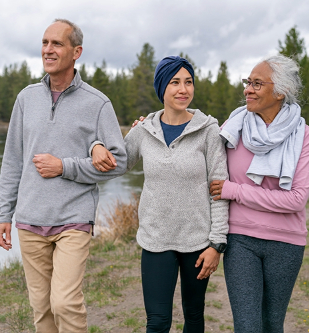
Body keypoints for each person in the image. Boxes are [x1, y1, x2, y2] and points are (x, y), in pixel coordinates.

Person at [0, 19, 127, 332]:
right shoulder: (26, 99)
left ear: (76, 51)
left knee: (64, 303)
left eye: (57, 44)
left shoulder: (97, 104)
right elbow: (12, 159)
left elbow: (119, 161)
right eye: (45, 43)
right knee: (41, 310)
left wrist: (65, 166)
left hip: (73, 218)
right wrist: (3, 215)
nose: (48, 50)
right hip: (29, 219)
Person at [91, 56, 229, 333]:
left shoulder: (209, 131)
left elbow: (220, 189)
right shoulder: (144, 131)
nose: (183, 89)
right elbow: (115, 164)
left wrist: (217, 244)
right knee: (157, 322)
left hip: (198, 242)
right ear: (161, 87)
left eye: (188, 82)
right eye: (175, 82)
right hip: (156, 240)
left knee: (194, 317)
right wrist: (95, 144)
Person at [209, 54, 309, 333]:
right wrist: (151, 127)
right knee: (247, 326)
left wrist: (235, 191)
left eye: (257, 83)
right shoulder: (234, 127)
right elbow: (200, 153)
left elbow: (295, 199)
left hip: (286, 243)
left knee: (271, 324)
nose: (247, 89)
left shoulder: (303, 135)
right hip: (241, 240)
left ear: (280, 92)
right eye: (248, 82)